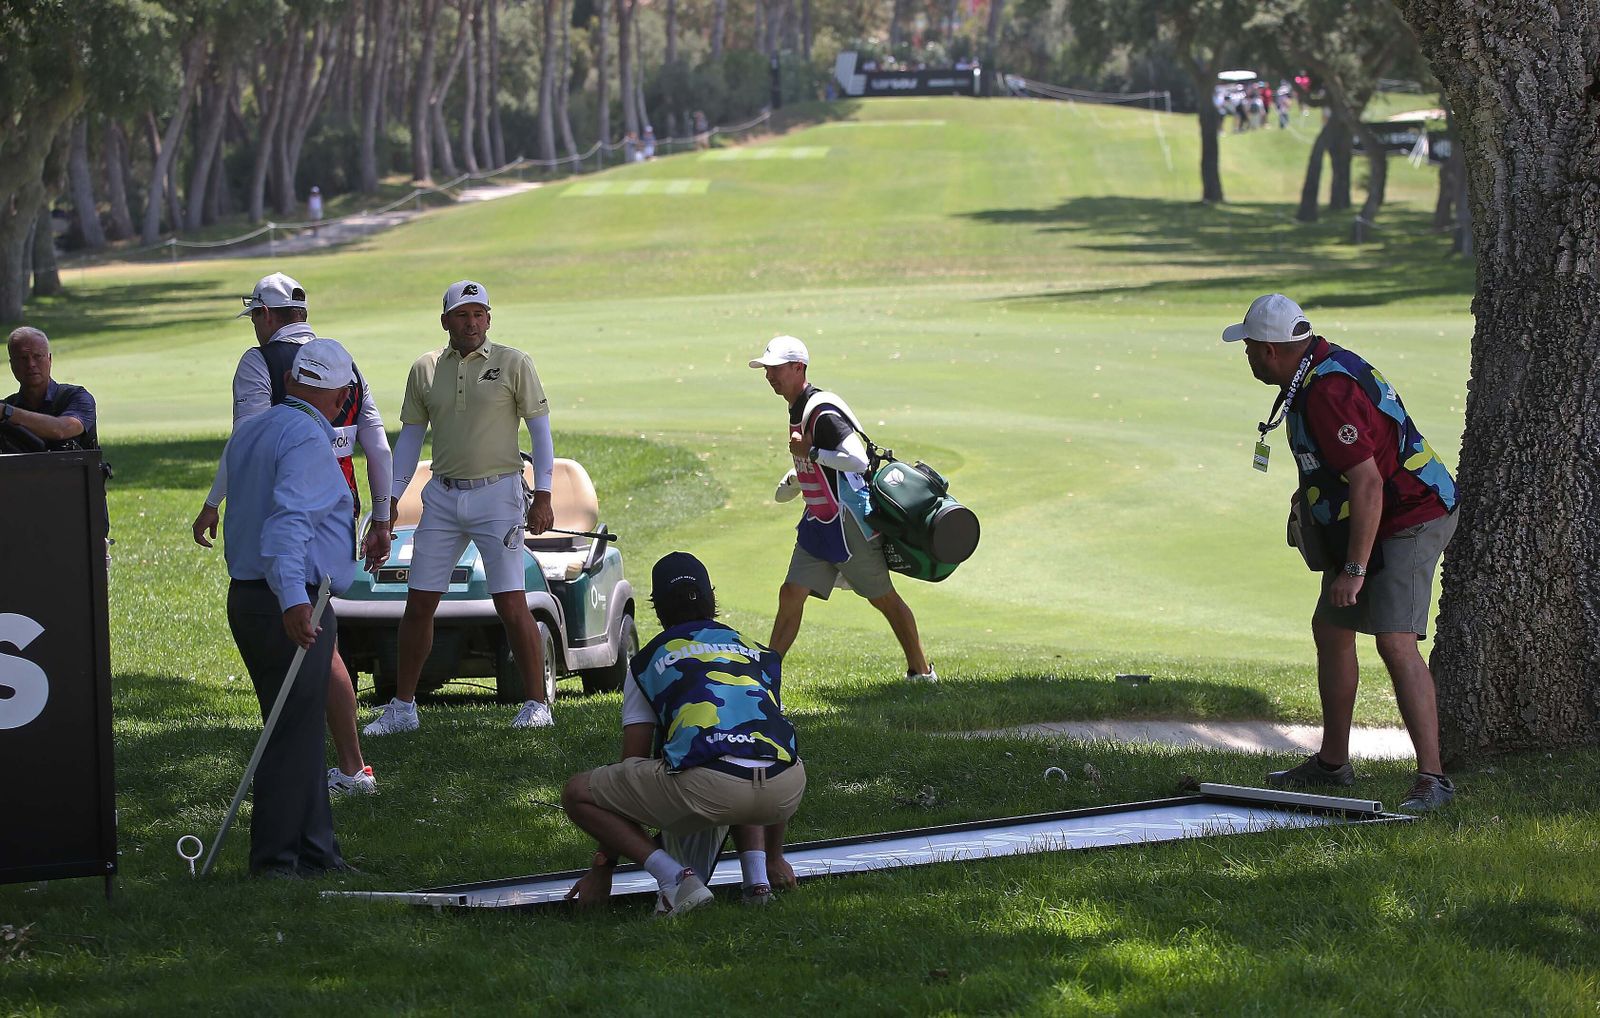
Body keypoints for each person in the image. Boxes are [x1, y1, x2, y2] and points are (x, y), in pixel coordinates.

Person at [1224, 294, 1459, 812]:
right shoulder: (1312, 371)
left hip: (1410, 515)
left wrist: (1354, 569)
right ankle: (1333, 763)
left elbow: (1369, 483)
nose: (1247, 357)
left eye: (1249, 348)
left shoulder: (1328, 390)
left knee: (1395, 641)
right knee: (1331, 628)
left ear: (1269, 350)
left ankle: (1434, 778)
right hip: (1368, 515)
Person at [192, 272, 391, 796]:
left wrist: (213, 502)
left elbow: (247, 444)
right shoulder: (344, 365)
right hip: (338, 508)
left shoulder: (258, 363)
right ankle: (350, 765)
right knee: (323, 634)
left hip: (282, 513)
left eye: (255, 317)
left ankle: (317, 767)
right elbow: (377, 444)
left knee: (309, 636)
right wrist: (382, 517)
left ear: (266, 315)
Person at [561, 552, 805, 916]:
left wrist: (603, 866)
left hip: (712, 787)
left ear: (658, 610)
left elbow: (631, 765)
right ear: (712, 599)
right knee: (748, 748)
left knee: (578, 793)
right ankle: (759, 880)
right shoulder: (758, 650)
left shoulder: (648, 660)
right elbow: (767, 738)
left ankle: (676, 881)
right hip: (787, 788)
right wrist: (775, 855)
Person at [363, 280, 557, 735]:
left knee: (510, 601)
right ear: (446, 320)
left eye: (479, 314)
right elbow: (410, 440)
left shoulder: (514, 362)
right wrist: (390, 501)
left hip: (499, 494)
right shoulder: (425, 369)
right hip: (443, 496)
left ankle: (537, 704)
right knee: (419, 602)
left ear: (489, 318)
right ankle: (403, 708)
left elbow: (540, 431)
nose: (472, 323)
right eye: (462, 315)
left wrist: (544, 493)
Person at [222, 338, 363, 877]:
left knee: (299, 729)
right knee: (289, 733)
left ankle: (316, 852)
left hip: (254, 596)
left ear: (290, 382)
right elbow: (287, 526)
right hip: (290, 598)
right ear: (341, 397)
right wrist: (294, 602)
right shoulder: (306, 437)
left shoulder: (255, 427)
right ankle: (277, 861)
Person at [751, 335, 935, 683]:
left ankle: (922, 672)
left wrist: (810, 453)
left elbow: (856, 459)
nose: (770, 376)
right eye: (767, 369)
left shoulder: (821, 412)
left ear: (799, 368)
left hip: (849, 525)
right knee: (791, 592)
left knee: (884, 599)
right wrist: (798, 476)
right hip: (819, 523)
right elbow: (822, 464)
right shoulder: (798, 408)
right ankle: (766, 677)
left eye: (777, 369)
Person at [3, 327, 98, 454]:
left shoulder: (77, 397)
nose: (31, 364)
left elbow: (62, 429)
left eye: (37, 356)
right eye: (23, 358)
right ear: (12, 365)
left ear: (49, 359)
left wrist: (6, 413)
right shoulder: (8, 406)